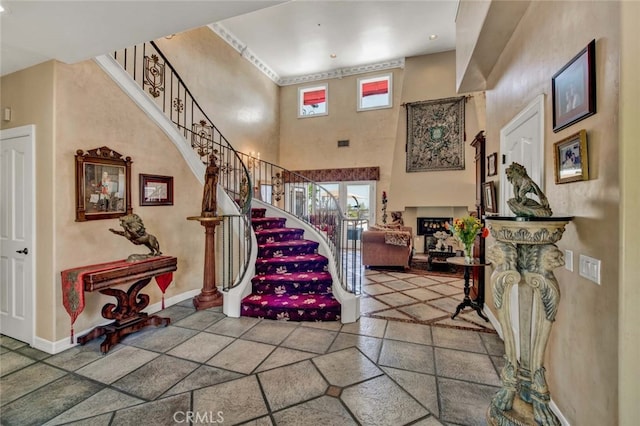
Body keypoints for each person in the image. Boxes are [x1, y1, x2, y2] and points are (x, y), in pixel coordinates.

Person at [201, 153, 220, 217]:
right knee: (206, 195)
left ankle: (213, 208)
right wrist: (206, 180)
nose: (212, 159)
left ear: (215, 159)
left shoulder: (217, 168)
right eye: (210, 158)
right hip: (208, 181)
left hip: (213, 182)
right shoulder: (208, 167)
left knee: (213, 195)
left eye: (213, 158)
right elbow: (206, 174)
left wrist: (215, 180)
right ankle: (205, 208)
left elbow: (217, 175)